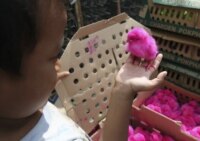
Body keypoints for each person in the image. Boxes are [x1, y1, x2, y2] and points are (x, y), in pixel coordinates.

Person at [0, 0, 167, 141]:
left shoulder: (18, 106)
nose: (59, 66)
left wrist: (43, 82)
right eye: (52, 58)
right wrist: (122, 93)